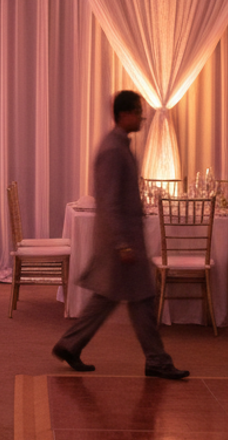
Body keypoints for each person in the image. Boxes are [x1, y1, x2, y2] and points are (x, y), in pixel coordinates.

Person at [52, 90, 190, 380]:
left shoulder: (118, 146)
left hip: (124, 240)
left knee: (114, 298)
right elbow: (110, 201)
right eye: (139, 111)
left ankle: (71, 344)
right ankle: (156, 360)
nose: (142, 117)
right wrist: (122, 244)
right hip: (122, 242)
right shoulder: (113, 150)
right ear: (125, 114)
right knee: (140, 299)